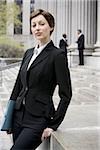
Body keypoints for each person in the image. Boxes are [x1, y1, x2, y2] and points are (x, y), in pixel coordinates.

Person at [7, 9, 72, 150]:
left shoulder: (57, 55)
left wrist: (53, 124)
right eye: (34, 25)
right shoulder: (28, 53)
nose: (37, 28)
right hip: (18, 116)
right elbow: (18, 85)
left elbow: (66, 94)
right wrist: (9, 117)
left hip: (38, 119)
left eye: (41, 24)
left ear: (51, 26)